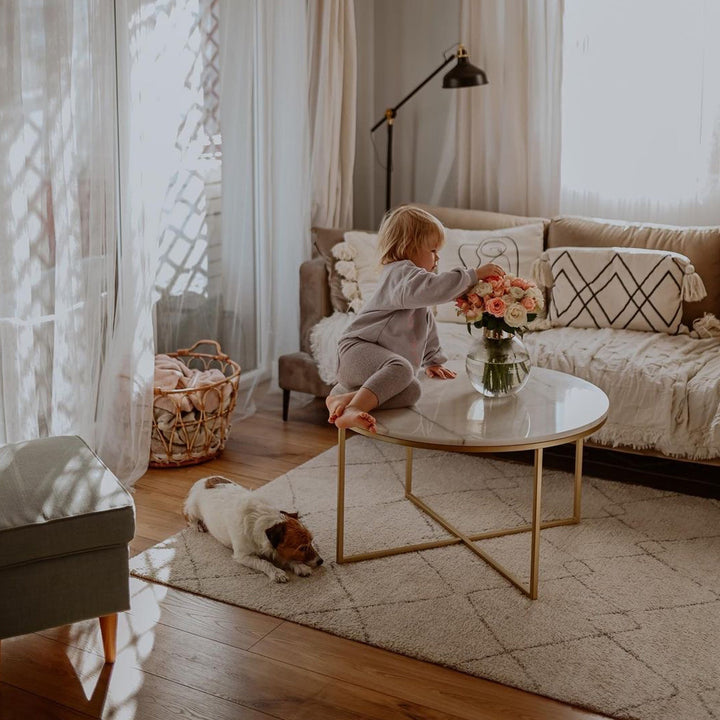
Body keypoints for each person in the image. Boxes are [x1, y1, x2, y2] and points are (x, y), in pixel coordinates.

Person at [327, 205, 504, 432]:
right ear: (408, 248)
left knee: (412, 389)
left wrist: (433, 360)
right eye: (432, 251)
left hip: (375, 366)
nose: (437, 258)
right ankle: (352, 410)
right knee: (401, 367)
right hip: (357, 351)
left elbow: (426, 326)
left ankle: (345, 399)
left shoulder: (415, 288)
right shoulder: (399, 274)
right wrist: (472, 275)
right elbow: (435, 289)